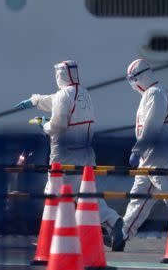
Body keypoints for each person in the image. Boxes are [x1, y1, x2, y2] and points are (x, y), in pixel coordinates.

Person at [15, 60, 123, 247]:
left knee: (53, 194)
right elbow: (56, 101)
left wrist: (44, 124)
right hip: (86, 155)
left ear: (60, 75)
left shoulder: (63, 96)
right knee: (85, 195)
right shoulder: (83, 93)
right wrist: (35, 100)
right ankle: (112, 221)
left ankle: (52, 239)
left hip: (64, 156)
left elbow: (58, 125)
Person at [113, 59, 168, 251]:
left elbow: (151, 127)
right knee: (139, 197)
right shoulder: (152, 93)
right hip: (151, 156)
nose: (132, 84)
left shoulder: (155, 94)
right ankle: (121, 235)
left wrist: (137, 150)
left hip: (161, 156)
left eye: (132, 79)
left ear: (140, 77)